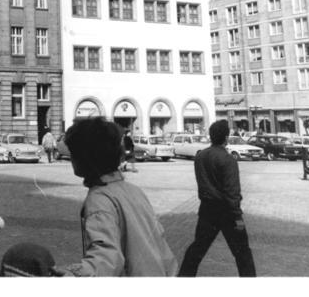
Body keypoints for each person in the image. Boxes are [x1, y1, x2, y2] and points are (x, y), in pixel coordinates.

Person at [55, 116, 177, 276]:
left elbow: (106, 258)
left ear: (85, 158)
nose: (71, 159)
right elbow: (160, 243)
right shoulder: (134, 190)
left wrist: (72, 274)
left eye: (74, 154)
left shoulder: (100, 199)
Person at [177, 120, 256, 277]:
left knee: (197, 249)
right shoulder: (228, 160)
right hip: (227, 212)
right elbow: (232, 193)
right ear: (226, 138)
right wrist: (238, 218)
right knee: (242, 253)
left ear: (211, 136)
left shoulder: (200, 157)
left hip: (207, 210)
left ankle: (184, 277)